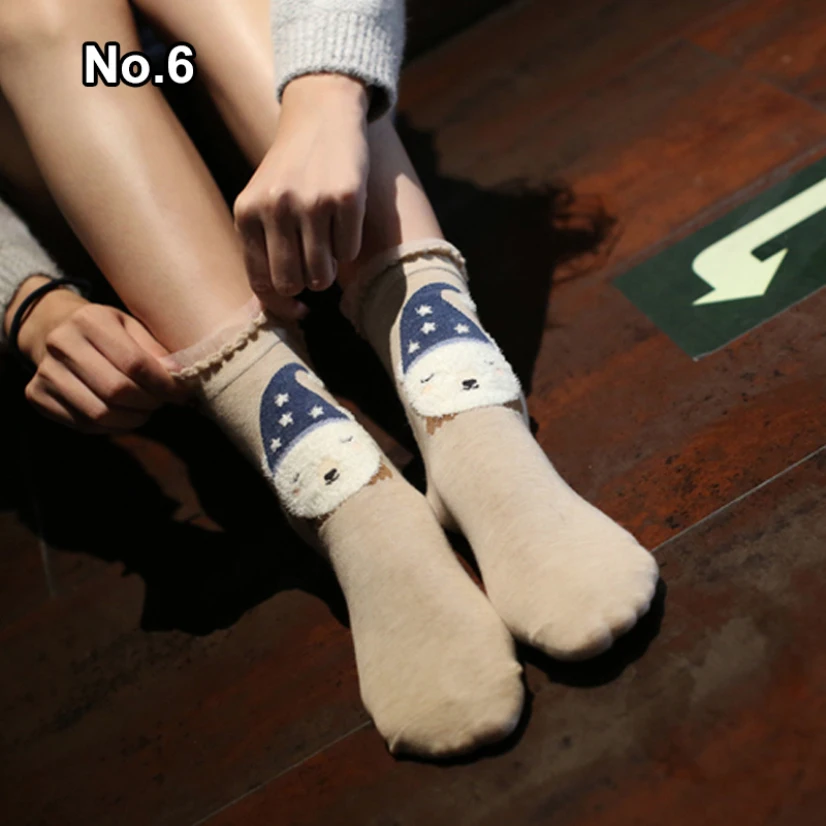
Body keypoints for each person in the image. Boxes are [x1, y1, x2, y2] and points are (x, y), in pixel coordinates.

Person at [0, 0, 659, 758]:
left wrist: (326, 93)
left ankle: (465, 405)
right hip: (82, 157)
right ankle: (342, 494)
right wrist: (26, 300)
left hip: (269, 92)